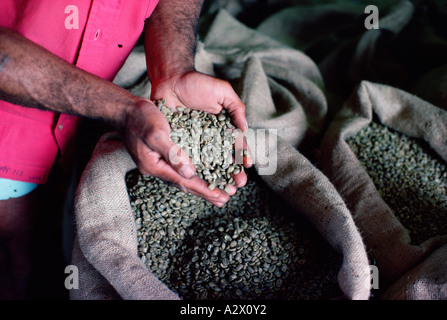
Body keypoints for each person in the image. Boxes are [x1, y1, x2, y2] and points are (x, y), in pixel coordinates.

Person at [0, 0, 251, 299]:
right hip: (8, 126)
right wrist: (123, 110)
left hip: (81, 119)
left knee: (58, 231)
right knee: (18, 257)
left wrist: (174, 67)